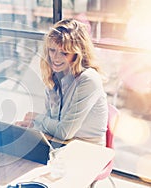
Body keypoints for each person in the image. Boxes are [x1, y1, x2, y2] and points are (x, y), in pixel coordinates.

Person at [15, 18, 108, 146]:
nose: (55, 58)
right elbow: (52, 121)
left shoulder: (89, 80)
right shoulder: (56, 76)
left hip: (87, 149)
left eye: (64, 53)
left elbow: (64, 131)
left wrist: (36, 117)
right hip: (61, 143)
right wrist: (32, 125)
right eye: (52, 50)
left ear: (77, 54)